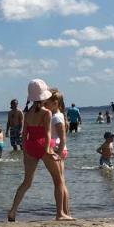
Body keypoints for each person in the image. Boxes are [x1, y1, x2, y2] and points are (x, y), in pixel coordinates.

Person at [8, 79, 72, 222]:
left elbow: (24, 134)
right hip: (43, 145)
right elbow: (48, 133)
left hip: (30, 145)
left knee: (27, 182)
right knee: (58, 180)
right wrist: (48, 149)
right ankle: (60, 213)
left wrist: (25, 149)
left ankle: (12, 211)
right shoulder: (46, 113)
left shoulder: (27, 113)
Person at [48, 90, 71, 218]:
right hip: (59, 149)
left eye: (47, 102)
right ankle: (65, 212)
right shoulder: (57, 115)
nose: (45, 104)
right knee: (61, 182)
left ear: (55, 103)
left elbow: (62, 138)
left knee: (59, 182)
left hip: (58, 150)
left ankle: (63, 212)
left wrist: (58, 153)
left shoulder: (56, 117)